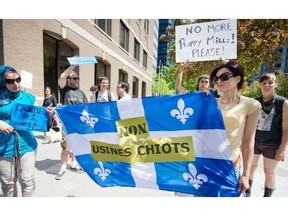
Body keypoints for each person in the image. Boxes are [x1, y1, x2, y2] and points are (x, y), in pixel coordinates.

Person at [210, 61, 261, 194]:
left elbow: (248, 142)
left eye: (225, 76)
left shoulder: (251, 105)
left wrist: (245, 174)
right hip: (206, 164)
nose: (219, 81)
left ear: (238, 78)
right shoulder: (210, 103)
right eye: (217, 78)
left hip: (230, 166)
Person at [0, 65, 40, 196]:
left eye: (18, 79)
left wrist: (49, 115)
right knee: (8, 183)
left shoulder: (28, 98)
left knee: (27, 181)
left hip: (27, 145)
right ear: (2, 82)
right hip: (4, 148)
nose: (15, 84)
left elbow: (39, 119)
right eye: (9, 81)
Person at [246, 73, 288, 197]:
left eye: (270, 82)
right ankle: (247, 194)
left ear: (276, 84)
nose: (267, 85)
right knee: (250, 168)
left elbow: (286, 128)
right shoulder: (255, 102)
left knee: (269, 171)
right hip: (255, 141)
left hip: (273, 143)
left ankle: (267, 198)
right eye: (264, 83)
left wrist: (282, 149)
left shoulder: (283, 103)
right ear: (260, 85)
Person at [55, 65, 88, 180]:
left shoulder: (81, 92)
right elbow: (62, 76)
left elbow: (87, 107)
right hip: (67, 124)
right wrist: (74, 64)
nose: (77, 80)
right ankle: (63, 167)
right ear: (68, 80)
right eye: (74, 78)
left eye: (78, 78)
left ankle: (73, 164)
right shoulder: (65, 90)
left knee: (76, 147)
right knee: (66, 148)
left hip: (79, 125)